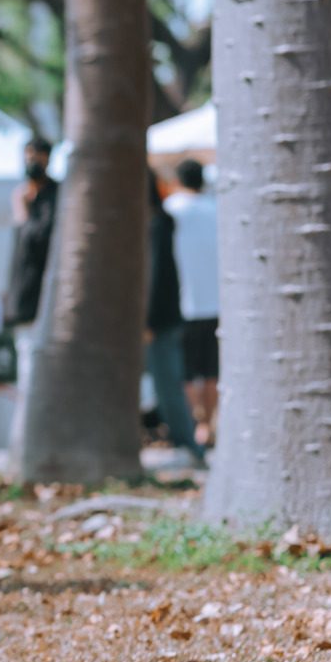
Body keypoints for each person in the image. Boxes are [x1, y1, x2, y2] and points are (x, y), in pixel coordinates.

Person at [145, 170, 204, 464]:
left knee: (169, 384)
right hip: (166, 317)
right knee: (166, 384)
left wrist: (149, 321)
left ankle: (190, 446)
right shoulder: (162, 220)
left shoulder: (158, 223)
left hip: (159, 321)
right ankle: (186, 444)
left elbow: (157, 276)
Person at [163, 158, 218, 446]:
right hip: (215, 301)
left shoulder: (172, 209)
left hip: (183, 300)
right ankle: (208, 424)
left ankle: (195, 424)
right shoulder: (216, 209)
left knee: (185, 371)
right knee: (211, 371)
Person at [4, 136, 58, 396]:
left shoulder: (54, 197)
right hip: (25, 295)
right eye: (28, 154)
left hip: (46, 296)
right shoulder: (26, 194)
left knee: (37, 365)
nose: (32, 160)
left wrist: (21, 213)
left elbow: (38, 241)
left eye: (37, 154)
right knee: (27, 366)